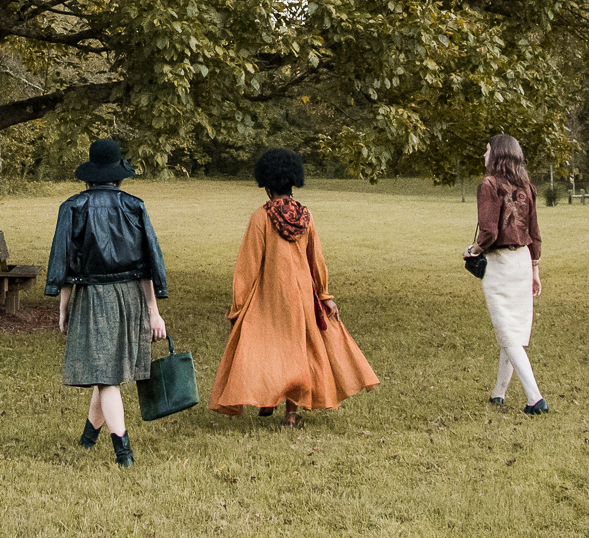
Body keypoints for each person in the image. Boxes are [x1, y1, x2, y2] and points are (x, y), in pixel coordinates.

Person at [208, 148, 379, 426]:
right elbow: (317, 260)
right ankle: (290, 414)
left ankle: (266, 399)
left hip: (267, 295)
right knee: (296, 350)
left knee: (265, 346)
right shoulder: (306, 217)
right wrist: (324, 294)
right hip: (301, 295)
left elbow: (248, 266)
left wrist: (238, 305)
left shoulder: (260, 218)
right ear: (292, 183)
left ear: (267, 187)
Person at [46, 137, 168, 467]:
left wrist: (63, 307)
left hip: (92, 295)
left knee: (106, 376)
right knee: (106, 371)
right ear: (118, 176)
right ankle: (87, 439)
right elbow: (148, 264)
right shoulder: (135, 205)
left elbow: (65, 265)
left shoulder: (72, 207)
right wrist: (154, 311)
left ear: (89, 176)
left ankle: (123, 453)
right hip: (131, 296)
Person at [475, 133, 547, 415]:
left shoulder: (489, 185)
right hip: (523, 260)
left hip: (501, 263)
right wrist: (535, 270)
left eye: (487, 149)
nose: (484, 155)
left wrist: (473, 249)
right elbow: (535, 232)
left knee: (506, 332)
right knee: (513, 329)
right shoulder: (527, 187)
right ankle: (499, 393)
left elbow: (490, 231)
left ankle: (535, 398)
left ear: (497, 154)